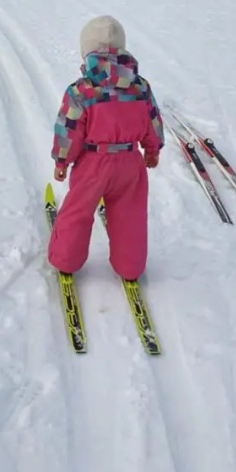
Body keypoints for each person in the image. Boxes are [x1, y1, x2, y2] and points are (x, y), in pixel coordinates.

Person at [48, 15, 164, 280]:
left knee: (78, 211)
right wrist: (153, 149)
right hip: (130, 163)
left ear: (86, 51)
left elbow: (69, 128)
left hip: (93, 163)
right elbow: (153, 120)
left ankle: (66, 259)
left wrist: (62, 161)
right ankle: (130, 266)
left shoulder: (82, 90)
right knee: (129, 217)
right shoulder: (139, 87)